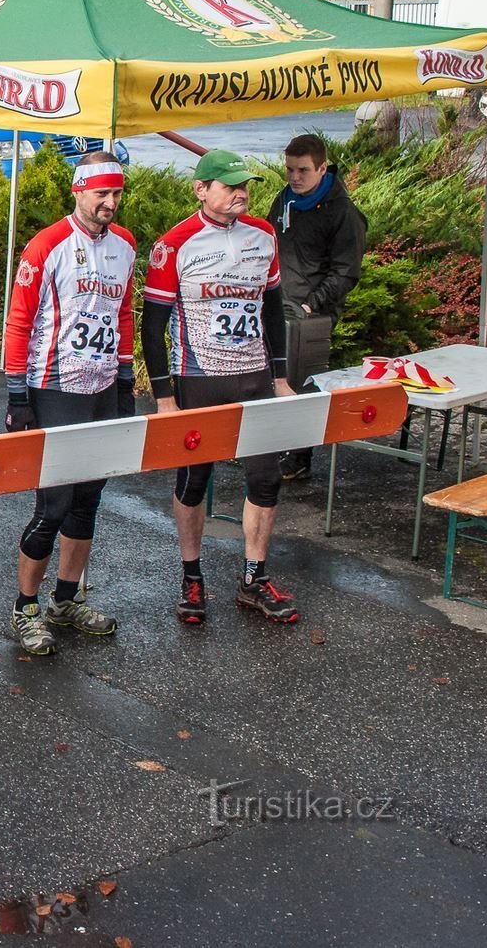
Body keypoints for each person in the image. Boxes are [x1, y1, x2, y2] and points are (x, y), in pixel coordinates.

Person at [143, 149, 297, 626]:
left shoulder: (264, 236)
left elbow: (272, 309)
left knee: (266, 478)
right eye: (229, 185)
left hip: (252, 377)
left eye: (244, 185)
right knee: (195, 480)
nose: (241, 193)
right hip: (199, 378)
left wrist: (281, 376)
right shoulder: (174, 244)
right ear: (201, 189)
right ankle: (192, 576)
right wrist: (164, 395)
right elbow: (152, 326)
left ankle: (254, 579)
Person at [1, 154, 137, 654]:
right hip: (53, 386)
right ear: (78, 191)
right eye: (100, 193)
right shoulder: (47, 245)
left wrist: (125, 384)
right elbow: (18, 323)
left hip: (101, 387)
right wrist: (17, 396)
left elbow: (122, 315)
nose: (109, 203)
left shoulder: (125, 245)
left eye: (117, 194)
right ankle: (25, 606)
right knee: (54, 503)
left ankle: (65, 599)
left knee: (88, 498)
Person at [266, 134, 367, 481]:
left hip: (312, 309)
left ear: (323, 169)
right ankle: (272, 445)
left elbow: (346, 271)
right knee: (273, 375)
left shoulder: (343, 214)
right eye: (290, 170)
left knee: (301, 380)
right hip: (277, 300)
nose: (294, 177)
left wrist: (313, 303)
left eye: (303, 171)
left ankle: (299, 456)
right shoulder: (286, 199)